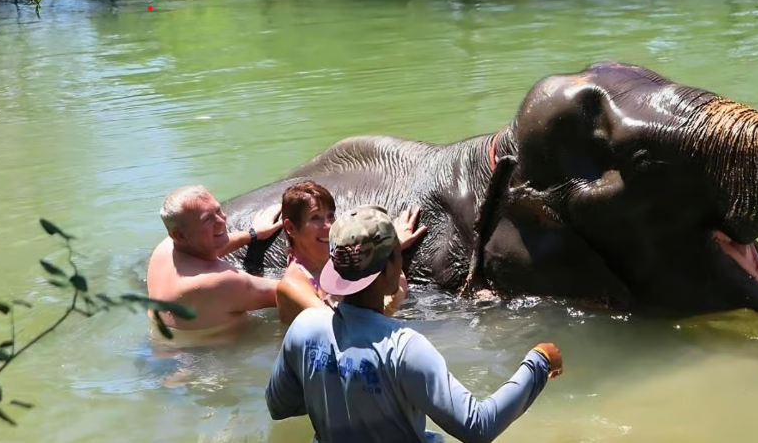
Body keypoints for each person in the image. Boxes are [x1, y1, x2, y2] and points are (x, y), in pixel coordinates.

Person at [266, 205, 563, 443]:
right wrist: (537, 363)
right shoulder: (405, 347)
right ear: (388, 270)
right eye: (398, 254)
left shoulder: (305, 327)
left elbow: (278, 407)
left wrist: (340, 392)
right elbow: (478, 427)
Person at [275, 180, 427, 324]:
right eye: (316, 218)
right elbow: (339, 329)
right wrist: (392, 304)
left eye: (330, 216)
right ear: (290, 228)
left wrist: (391, 242)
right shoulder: (292, 285)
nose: (329, 226)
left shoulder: (338, 260)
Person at [146, 185, 284, 336]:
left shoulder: (164, 248)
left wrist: (254, 233)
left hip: (161, 341)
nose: (221, 221)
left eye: (218, 211)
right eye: (207, 219)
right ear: (179, 236)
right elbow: (293, 292)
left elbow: (209, 246)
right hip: (203, 354)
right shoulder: (217, 282)